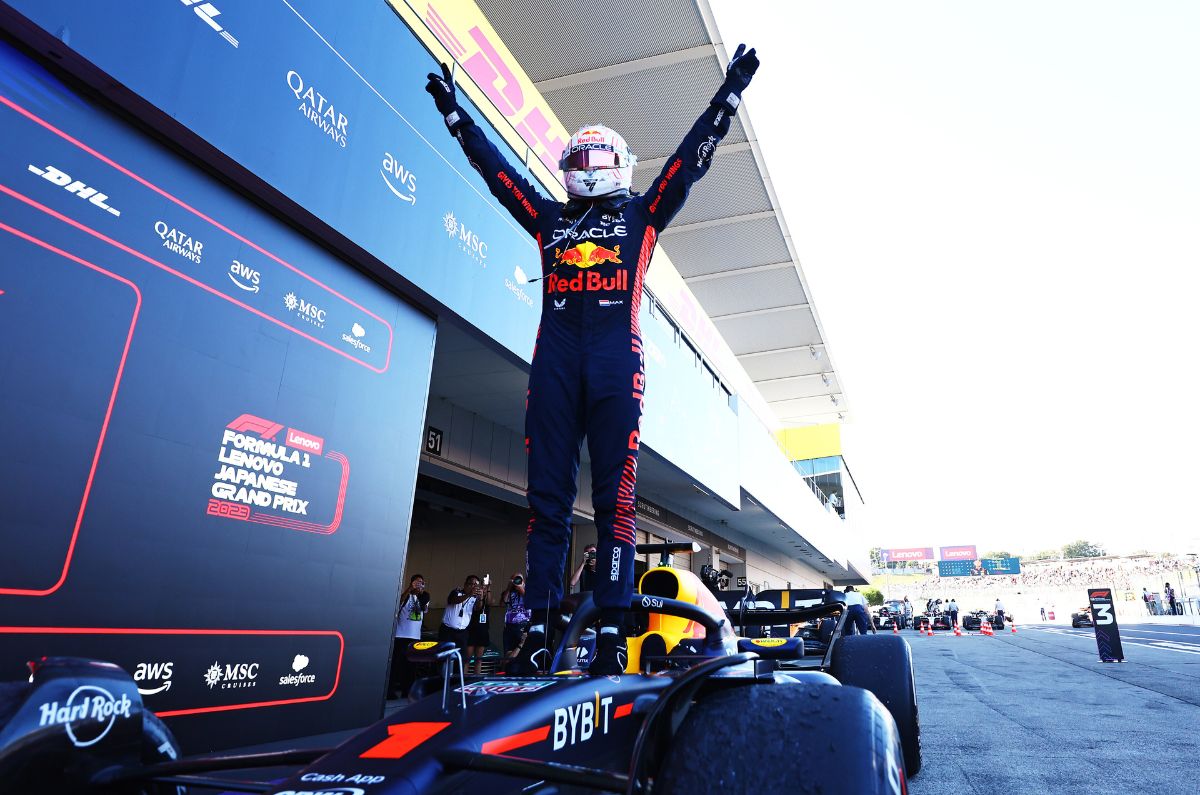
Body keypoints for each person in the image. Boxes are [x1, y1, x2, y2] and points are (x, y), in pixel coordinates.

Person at [425, 44, 760, 676]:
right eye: (584, 157)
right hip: (557, 366)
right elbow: (499, 178)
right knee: (546, 503)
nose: (589, 165)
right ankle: (544, 626)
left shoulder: (642, 214)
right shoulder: (550, 218)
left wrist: (729, 95)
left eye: (593, 156)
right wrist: (458, 116)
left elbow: (689, 164)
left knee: (616, 505)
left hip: (611, 366)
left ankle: (609, 627)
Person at [389, 573, 430, 699]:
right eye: (417, 582)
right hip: (401, 635)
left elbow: (422, 608)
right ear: (411, 583)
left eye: (421, 582)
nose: (419, 585)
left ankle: (408, 691)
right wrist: (410, 589)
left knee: (412, 666)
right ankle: (390, 691)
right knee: (396, 665)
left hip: (415, 637)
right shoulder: (406, 596)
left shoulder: (424, 597)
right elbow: (398, 601)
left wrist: (420, 592)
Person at [439, 574, 482, 655]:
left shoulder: (474, 597)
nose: (473, 587)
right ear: (465, 584)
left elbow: (478, 608)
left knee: (460, 658)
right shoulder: (456, 592)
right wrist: (469, 594)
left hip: (462, 633)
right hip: (448, 631)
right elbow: (453, 600)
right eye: (471, 584)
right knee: (444, 657)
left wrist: (480, 598)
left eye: (476, 585)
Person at [501, 573, 532, 662]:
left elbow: (530, 602)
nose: (516, 581)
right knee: (508, 656)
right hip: (510, 626)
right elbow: (503, 602)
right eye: (514, 579)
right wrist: (509, 587)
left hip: (524, 625)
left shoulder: (529, 590)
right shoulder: (509, 591)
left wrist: (521, 588)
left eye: (519, 579)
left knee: (523, 653)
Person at [466, 574, 492, 674]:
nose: (483, 589)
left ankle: (476, 679)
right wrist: (479, 597)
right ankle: (464, 680)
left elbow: (489, 602)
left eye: (485, 588)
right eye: (482, 587)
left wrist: (489, 588)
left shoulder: (487, 598)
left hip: (483, 631)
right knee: (467, 659)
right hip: (471, 630)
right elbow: (478, 607)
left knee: (478, 660)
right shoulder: (473, 598)